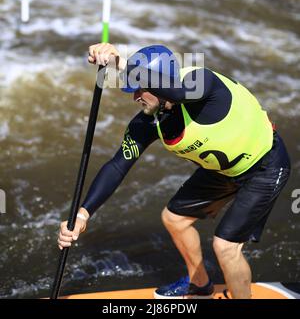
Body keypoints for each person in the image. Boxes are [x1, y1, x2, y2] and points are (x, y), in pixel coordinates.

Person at [58, 43, 291, 299]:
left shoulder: (202, 82)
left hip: (265, 166)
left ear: (162, 82)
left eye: (140, 88)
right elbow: (117, 165)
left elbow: (179, 93)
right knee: (174, 219)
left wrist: (120, 63)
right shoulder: (148, 122)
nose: (135, 96)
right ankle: (200, 285)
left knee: (225, 246)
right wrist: (82, 215)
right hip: (223, 172)